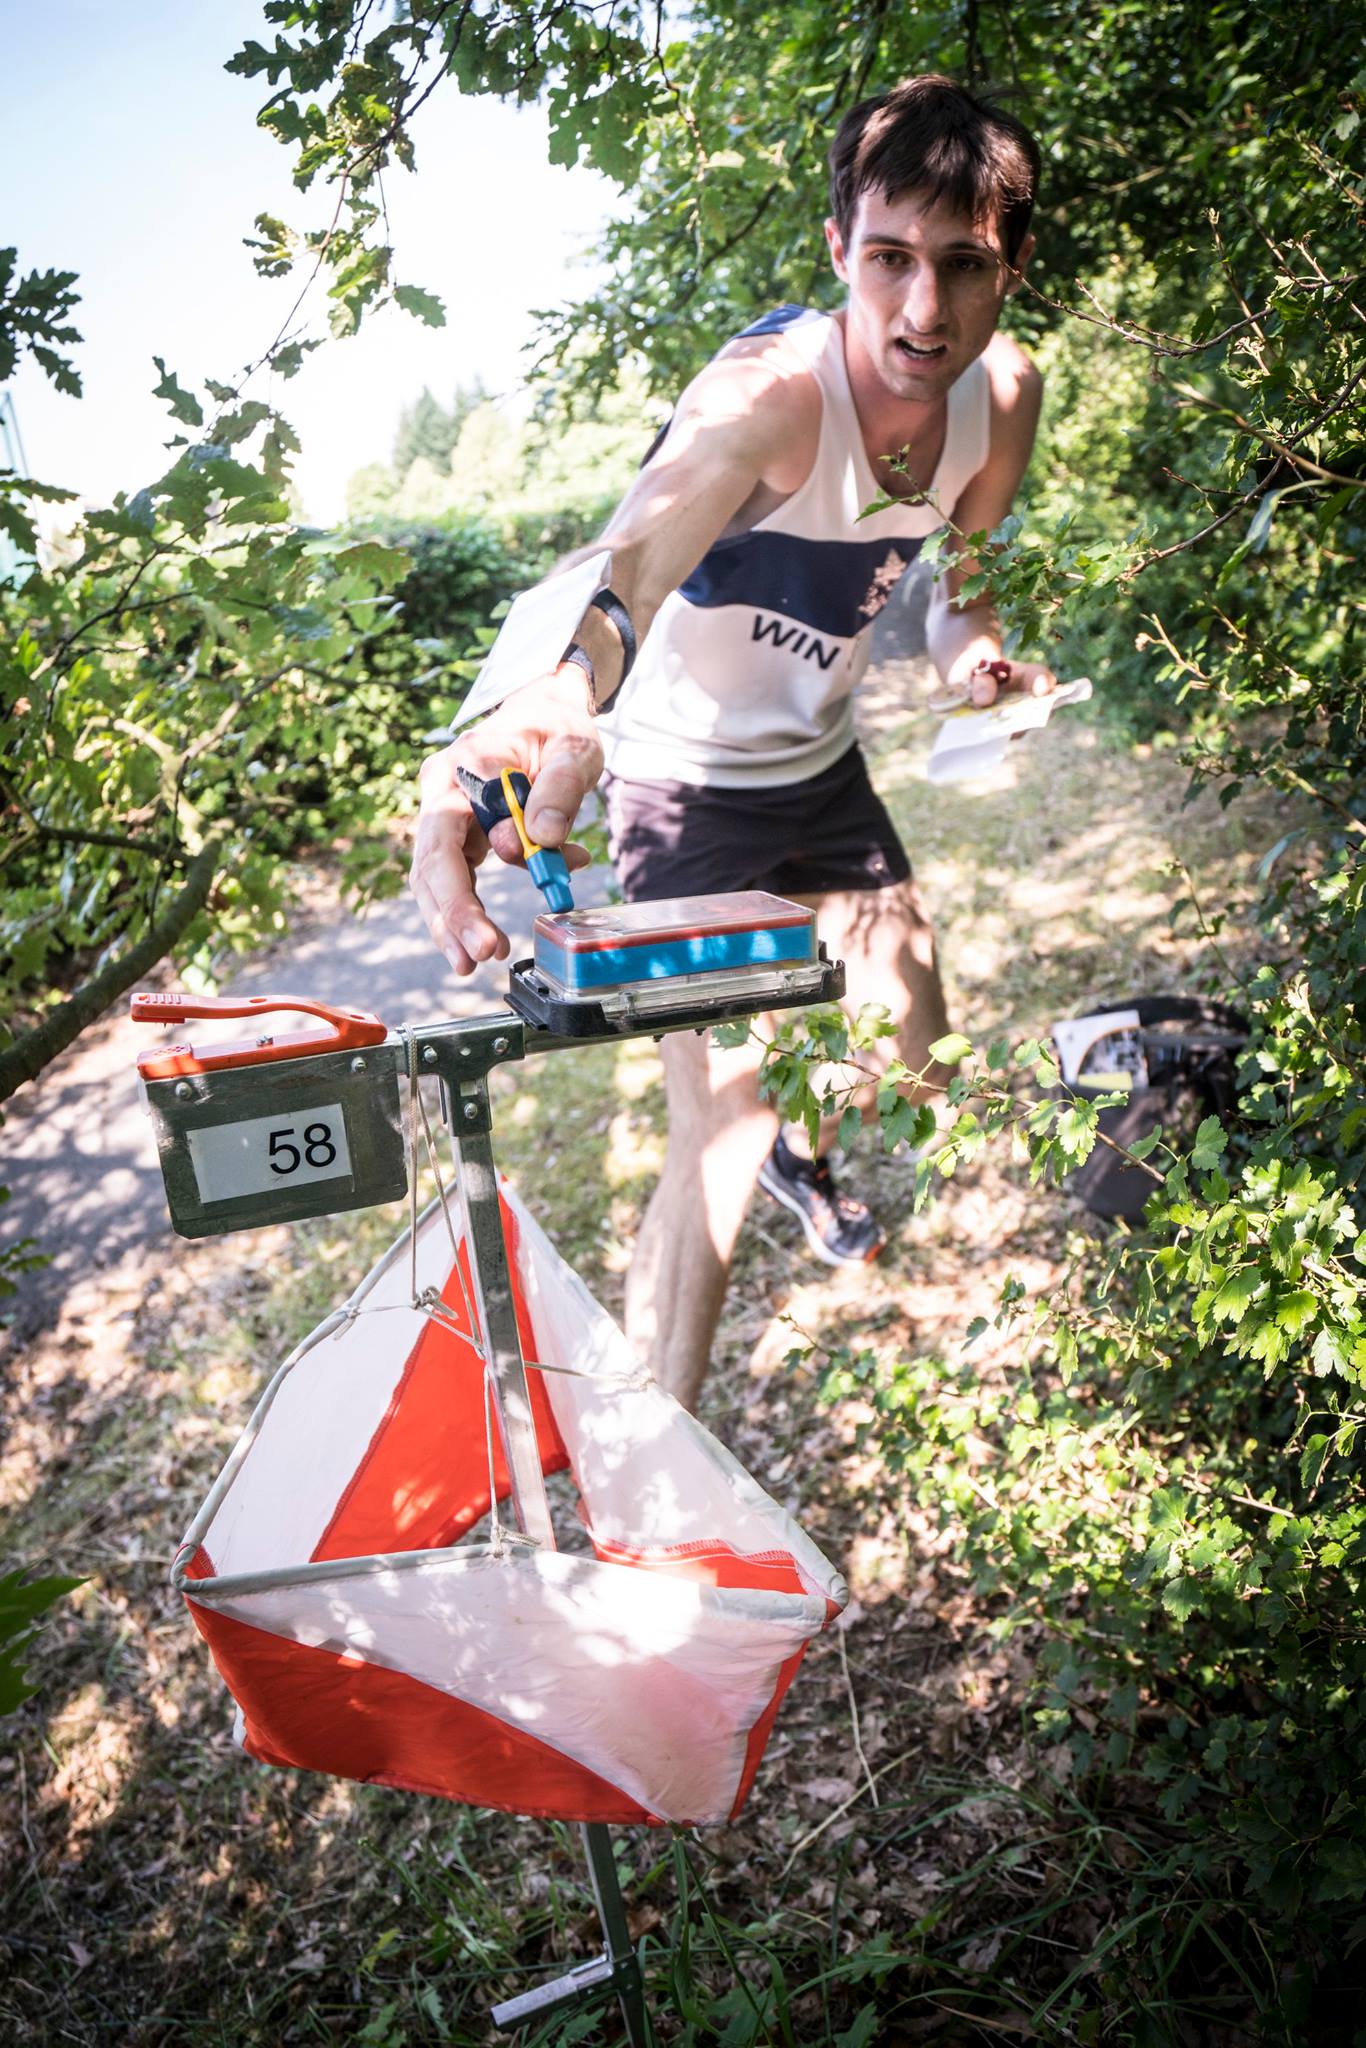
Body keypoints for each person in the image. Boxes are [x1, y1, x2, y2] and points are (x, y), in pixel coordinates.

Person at [409, 74, 1056, 1412]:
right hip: (678, 791)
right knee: (724, 1121)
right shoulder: (768, 396)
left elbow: (963, 582)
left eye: (960, 265)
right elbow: (628, 564)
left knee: (918, 1054)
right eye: (886, 261)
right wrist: (556, 698)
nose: (920, 311)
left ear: (1012, 264)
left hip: (818, 767)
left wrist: (967, 660)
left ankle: (803, 1161)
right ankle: (653, 1465)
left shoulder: (1005, 399)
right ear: (838, 251)